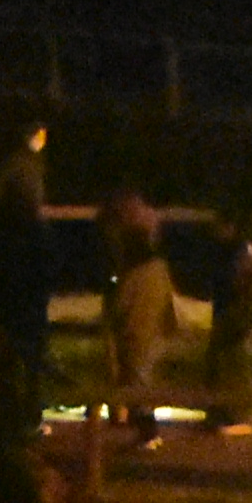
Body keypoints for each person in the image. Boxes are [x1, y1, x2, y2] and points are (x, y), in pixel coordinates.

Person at [0, 131, 60, 447]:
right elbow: (47, 266)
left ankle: (7, 423)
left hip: (8, 302)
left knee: (7, 362)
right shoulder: (34, 227)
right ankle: (29, 420)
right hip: (28, 303)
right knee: (30, 362)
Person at [97, 184, 177, 441]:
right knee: (140, 375)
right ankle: (139, 423)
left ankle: (145, 429)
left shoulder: (135, 274)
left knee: (136, 376)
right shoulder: (156, 269)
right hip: (149, 329)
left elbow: (121, 306)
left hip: (138, 332)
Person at [200, 212, 252, 433]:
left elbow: (239, 286)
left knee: (232, 361)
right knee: (223, 361)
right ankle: (221, 412)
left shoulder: (240, 252)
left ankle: (234, 413)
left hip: (236, 313)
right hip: (231, 312)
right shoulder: (231, 250)